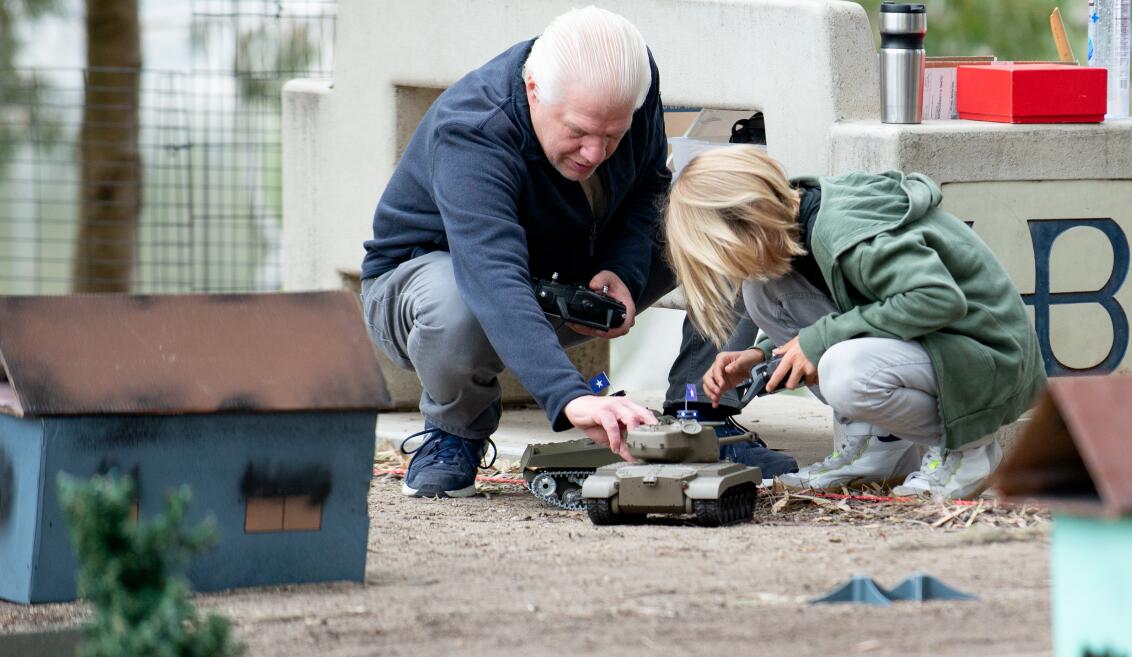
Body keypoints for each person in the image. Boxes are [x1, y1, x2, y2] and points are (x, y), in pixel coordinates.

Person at [360, 6, 795, 498]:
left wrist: (623, 272)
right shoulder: (474, 130)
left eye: (613, 135)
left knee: (727, 216)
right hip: (434, 291)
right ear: (532, 92)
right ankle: (454, 431)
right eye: (579, 132)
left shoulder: (634, 81)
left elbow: (649, 189)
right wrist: (569, 399)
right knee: (457, 303)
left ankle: (700, 413)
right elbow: (492, 276)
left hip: (565, 273)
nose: (595, 153)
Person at [663, 146, 1047, 500]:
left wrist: (819, 341)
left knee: (844, 372)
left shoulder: (845, 233)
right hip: (942, 349)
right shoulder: (799, 220)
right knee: (762, 292)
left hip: (986, 362)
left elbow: (937, 299)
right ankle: (876, 448)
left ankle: (968, 451)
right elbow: (856, 308)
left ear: (746, 223)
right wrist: (759, 355)